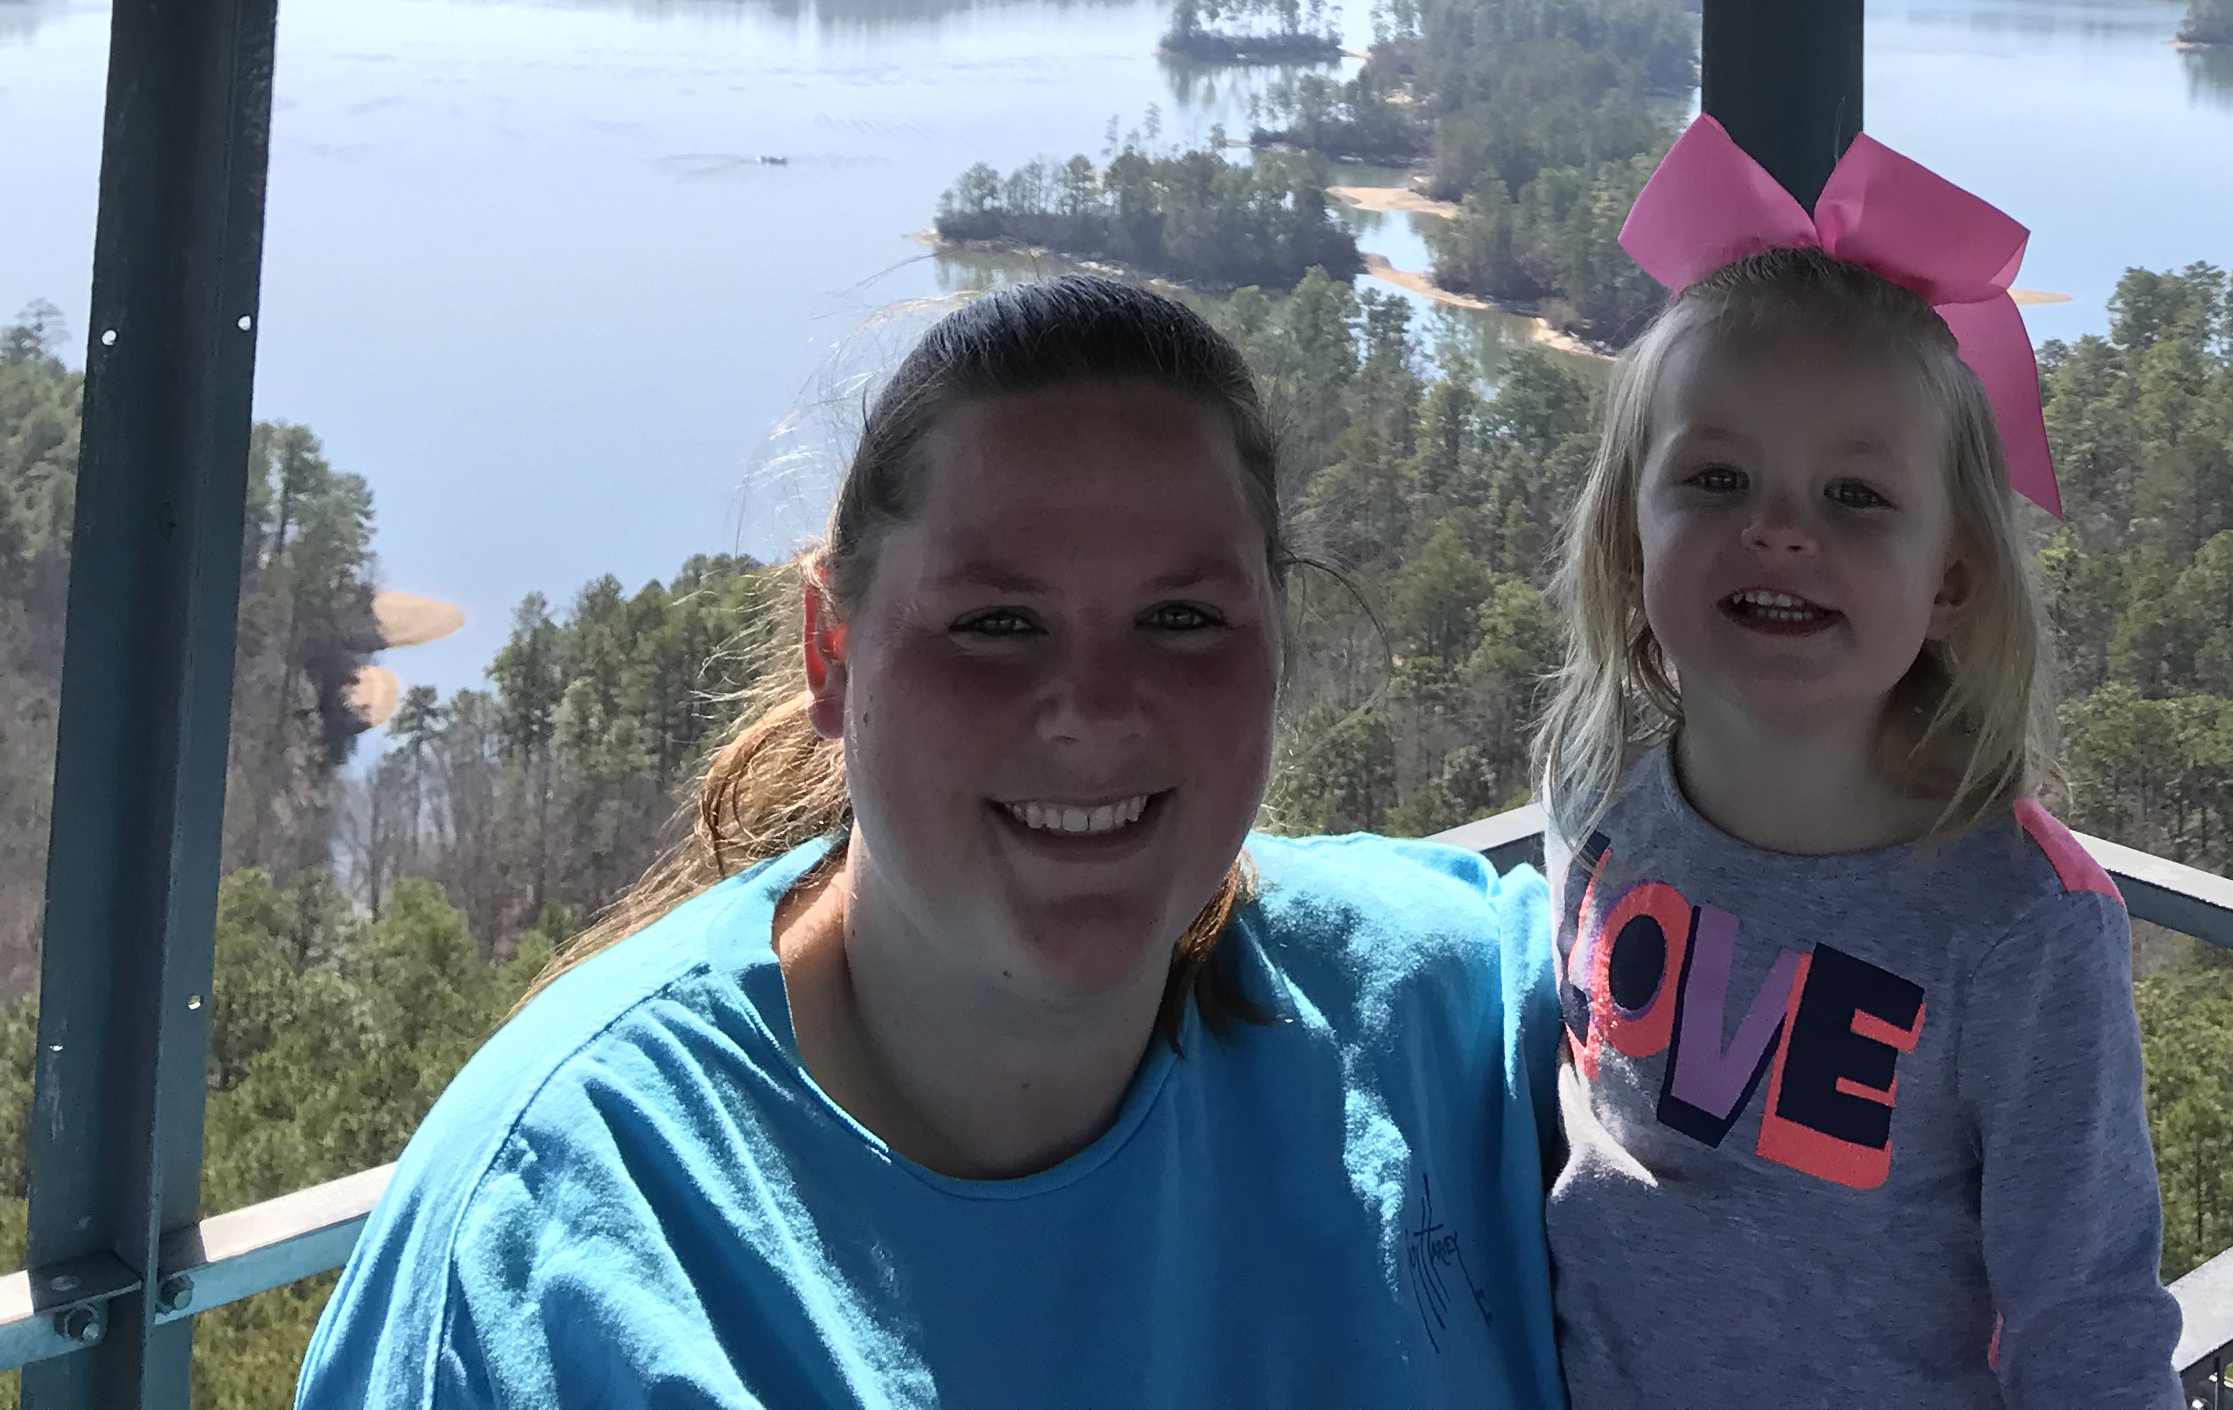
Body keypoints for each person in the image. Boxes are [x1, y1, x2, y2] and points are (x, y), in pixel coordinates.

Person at [299, 275, 1566, 1409]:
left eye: (1182, 617)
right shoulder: (560, 1232)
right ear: (830, 656)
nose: (1094, 709)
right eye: (998, 624)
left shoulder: (1447, 1012)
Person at [1535, 116, 2184, 1409]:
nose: (1778, 532)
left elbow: (2090, 1318)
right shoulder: (1599, 794)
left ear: (1952, 580)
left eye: (1856, 497)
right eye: (1715, 478)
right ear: (1627, 540)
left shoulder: (2019, 930)